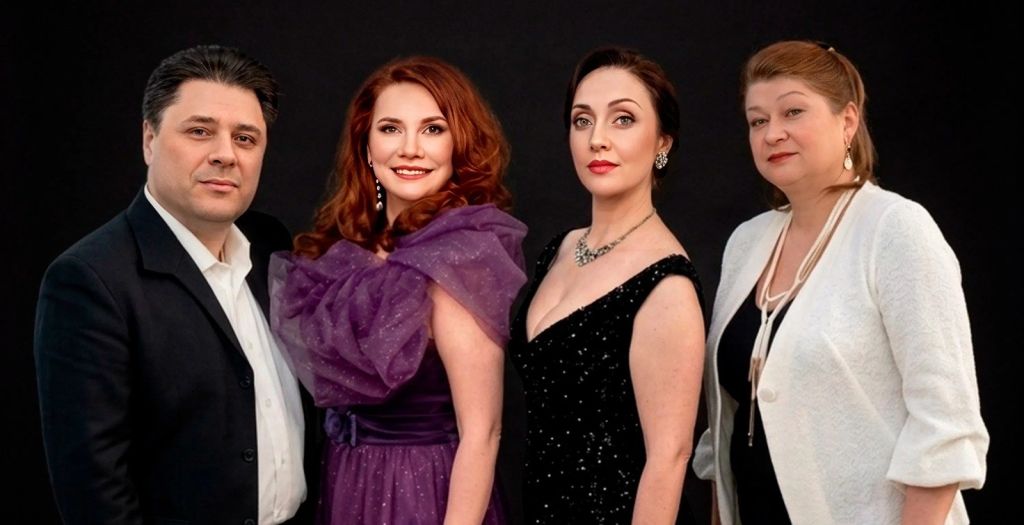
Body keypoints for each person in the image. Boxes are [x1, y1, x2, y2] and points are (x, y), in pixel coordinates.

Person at [692, 40, 989, 524]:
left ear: (847, 121)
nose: (773, 133)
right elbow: (723, 427)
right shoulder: (746, 242)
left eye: (793, 112)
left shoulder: (895, 228)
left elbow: (945, 424)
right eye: (757, 121)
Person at [34, 45, 315, 524]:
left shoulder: (272, 245)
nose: (225, 154)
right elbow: (95, 492)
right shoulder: (90, 280)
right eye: (200, 131)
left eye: (245, 138)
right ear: (150, 139)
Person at [269, 56, 526, 524]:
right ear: (366, 146)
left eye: (432, 129)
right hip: (346, 481)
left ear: (458, 144)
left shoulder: (461, 257)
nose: (410, 149)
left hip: (423, 491)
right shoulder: (344, 255)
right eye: (391, 129)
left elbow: (483, 433)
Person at [508, 46, 706, 524]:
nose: (597, 139)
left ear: (662, 141)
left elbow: (670, 458)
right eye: (583, 121)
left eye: (623, 120)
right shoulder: (560, 248)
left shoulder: (667, 285)